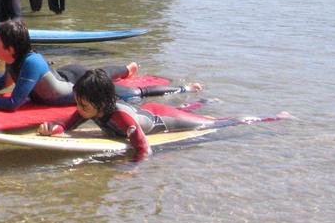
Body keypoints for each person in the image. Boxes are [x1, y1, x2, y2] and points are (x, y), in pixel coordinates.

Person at [39, 69, 288, 161]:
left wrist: (131, 168)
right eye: (78, 104)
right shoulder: (89, 108)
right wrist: (55, 130)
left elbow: (143, 147)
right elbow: (69, 123)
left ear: (101, 102)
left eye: (83, 105)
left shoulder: (121, 119)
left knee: (215, 124)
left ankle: (275, 116)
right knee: (183, 110)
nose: (79, 109)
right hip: (147, 112)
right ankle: (202, 101)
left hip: (163, 122)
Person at [0, 20, 200, 111]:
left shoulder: (30, 63)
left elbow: (13, 104)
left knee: (135, 94)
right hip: (64, 77)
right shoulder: (14, 60)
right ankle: (125, 69)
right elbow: (4, 82)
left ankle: (185, 89)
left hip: (77, 91)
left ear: (10, 48)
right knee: (99, 73)